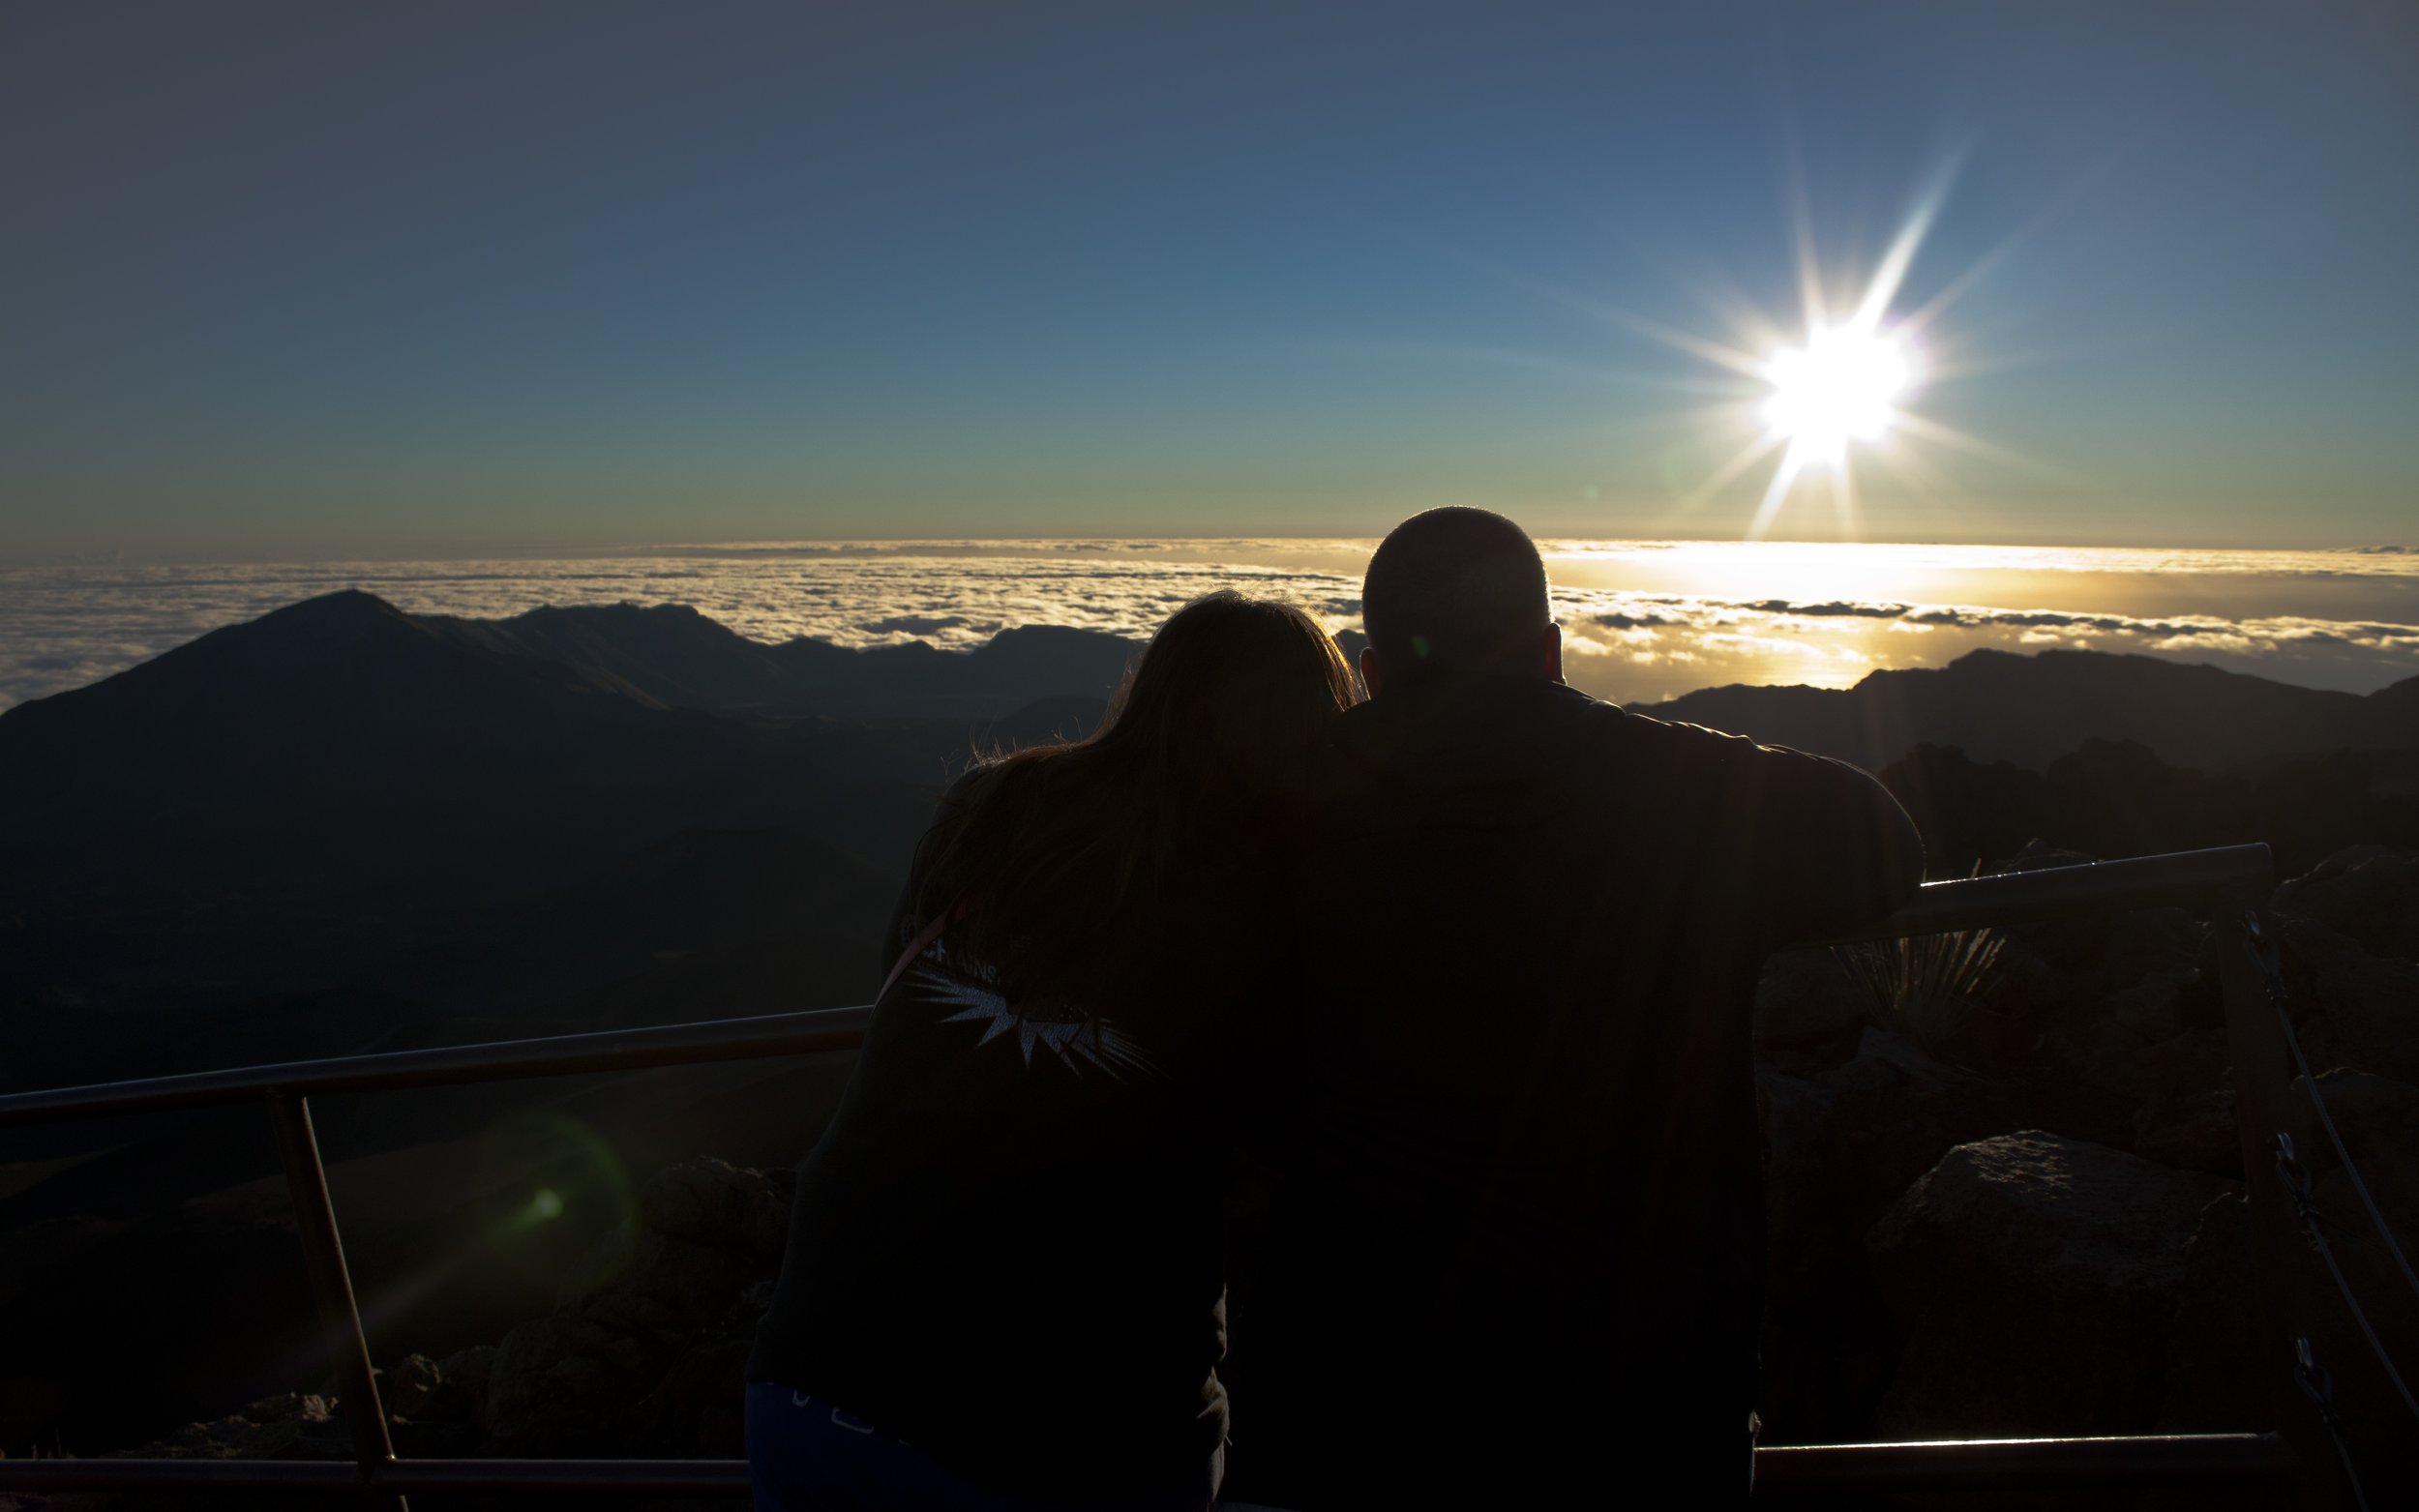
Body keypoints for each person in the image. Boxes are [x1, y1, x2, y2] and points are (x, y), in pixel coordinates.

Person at [1231, 509, 1925, 1508]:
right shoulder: (1682, 791)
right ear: (1552, 654)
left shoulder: (1275, 812)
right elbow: (1886, 844)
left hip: (1357, 1390)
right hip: (1645, 1394)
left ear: (1373, 671)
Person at [745, 590, 1359, 1512]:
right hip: (1074, 1437)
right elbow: (1287, 1163)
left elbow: (893, 988)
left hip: (812, 1380)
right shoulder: (1300, 900)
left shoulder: (997, 802)